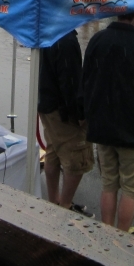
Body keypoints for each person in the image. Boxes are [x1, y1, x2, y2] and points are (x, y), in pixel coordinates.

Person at [82, 11, 134, 232]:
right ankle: (121, 238)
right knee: (131, 189)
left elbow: (87, 81)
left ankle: (107, 234)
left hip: (103, 127)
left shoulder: (98, 40)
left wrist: (90, 116)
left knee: (108, 184)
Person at [38, 29, 92, 215]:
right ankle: (65, 206)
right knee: (77, 158)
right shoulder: (66, 41)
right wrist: (79, 114)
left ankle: (54, 200)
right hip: (61, 111)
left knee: (53, 152)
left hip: (47, 103)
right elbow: (70, 82)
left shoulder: (48, 31)